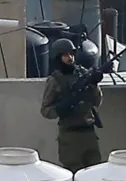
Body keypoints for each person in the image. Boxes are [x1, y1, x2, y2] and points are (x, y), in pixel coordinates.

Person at [40, 38, 106, 173]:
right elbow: (45, 110)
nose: (70, 58)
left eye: (71, 54)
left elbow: (97, 101)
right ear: (58, 57)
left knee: (94, 173)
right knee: (74, 173)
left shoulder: (83, 74)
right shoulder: (54, 80)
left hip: (89, 132)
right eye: (65, 55)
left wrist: (93, 84)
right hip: (70, 136)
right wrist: (62, 107)